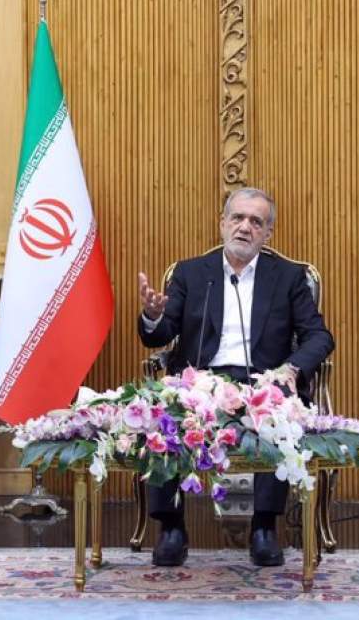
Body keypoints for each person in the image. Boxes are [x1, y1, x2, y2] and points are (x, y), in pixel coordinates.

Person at [136, 187, 334, 568]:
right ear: (223, 223)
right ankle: (171, 527)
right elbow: (159, 336)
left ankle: (264, 527)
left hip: (264, 381)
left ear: (267, 233)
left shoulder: (290, 278)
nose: (245, 227)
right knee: (161, 413)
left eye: (256, 222)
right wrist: (153, 315)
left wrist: (290, 370)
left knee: (280, 416)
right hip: (200, 381)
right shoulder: (192, 274)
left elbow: (319, 336)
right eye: (238, 218)